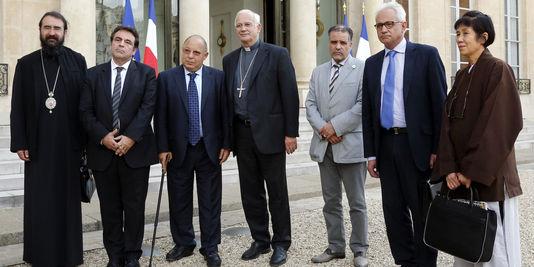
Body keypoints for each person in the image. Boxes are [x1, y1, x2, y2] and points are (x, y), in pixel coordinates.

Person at [432, 10, 523, 267]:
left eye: (465, 34)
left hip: (488, 176)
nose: (459, 39)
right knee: (464, 242)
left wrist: (471, 171)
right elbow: (447, 125)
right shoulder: (462, 76)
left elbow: (499, 125)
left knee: (494, 248)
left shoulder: (498, 69)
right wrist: (449, 168)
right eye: (457, 33)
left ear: (483, 37)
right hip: (459, 176)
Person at [361, 2, 447, 266]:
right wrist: (371, 153)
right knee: (393, 211)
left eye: (389, 24)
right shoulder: (373, 64)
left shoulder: (426, 55)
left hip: (417, 146)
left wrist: (437, 149)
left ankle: (425, 262)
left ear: (404, 25)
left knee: (421, 209)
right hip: (386, 145)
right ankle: (405, 260)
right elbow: (367, 111)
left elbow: (440, 106)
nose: (384, 29)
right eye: (379, 25)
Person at [222, 9, 299, 266]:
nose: (243, 29)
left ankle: (281, 242)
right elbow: (227, 101)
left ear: (259, 27)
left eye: (248, 24)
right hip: (242, 133)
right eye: (239, 25)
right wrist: (228, 139)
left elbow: (289, 95)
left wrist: (291, 133)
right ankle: (260, 239)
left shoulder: (277, 54)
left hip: (272, 134)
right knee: (250, 191)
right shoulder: (230, 59)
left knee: (276, 192)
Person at [10, 11, 87, 266]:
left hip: (69, 147)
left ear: (66, 31)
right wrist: (20, 141)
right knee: (40, 202)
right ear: (40, 30)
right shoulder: (26, 63)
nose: (52, 32)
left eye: (57, 28)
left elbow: (85, 105)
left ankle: (69, 255)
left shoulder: (78, 61)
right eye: (47, 28)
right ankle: (39, 255)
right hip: (38, 146)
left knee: (67, 203)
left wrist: (86, 144)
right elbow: (17, 106)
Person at [80, 25, 157, 267]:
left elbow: (147, 109)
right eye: (117, 39)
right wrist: (103, 137)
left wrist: (130, 138)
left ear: (134, 49)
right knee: (110, 209)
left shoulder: (147, 74)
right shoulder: (93, 74)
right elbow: (85, 111)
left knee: (134, 209)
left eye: (127, 42)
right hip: (103, 153)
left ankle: (133, 255)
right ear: (110, 43)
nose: (121, 44)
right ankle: (114, 256)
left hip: (136, 153)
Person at [154, 35, 230, 267]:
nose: (190, 56)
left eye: (196, 53)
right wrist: (163, 148)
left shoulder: (218, 78)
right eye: (187, 50)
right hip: (178, 150)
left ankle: (210, 246)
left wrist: (227, 143)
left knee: (210, 201)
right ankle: (184, 243)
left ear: (205, 55)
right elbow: (161, 116)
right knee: (179, 200)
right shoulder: (167, 78)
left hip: (209, 150)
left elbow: (225, 114)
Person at [306, 25, 368, 267]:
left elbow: (363, 106)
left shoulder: (362, 69)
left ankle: (360, 249)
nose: (338, 47)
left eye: (343, 42)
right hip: (325, 147)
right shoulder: (318, 72)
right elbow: (310, 104)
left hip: (351, 147)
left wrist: (335, 127)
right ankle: (335, 246)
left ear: (350, 44)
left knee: (357, 203)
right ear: (328, 44)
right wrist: (324, 128)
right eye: (334, 42)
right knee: (330, 202)